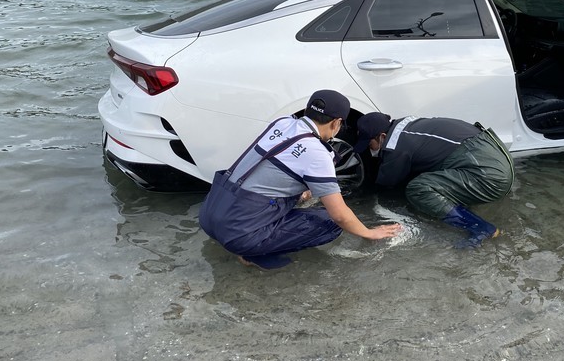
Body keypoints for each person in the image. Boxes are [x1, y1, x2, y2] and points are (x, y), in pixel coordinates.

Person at [199, 90, 402, 269]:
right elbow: (340, 215)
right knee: (330, 222)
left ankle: (244, 239)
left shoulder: (283, 122)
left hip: (211, 213)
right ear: (337, 123)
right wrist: (369, 233)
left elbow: (274, 165)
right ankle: (253, 251)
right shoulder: (317, 153)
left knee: (297, 199)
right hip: (239, 233)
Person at [353, 113, 515, 246]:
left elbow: (386, 185)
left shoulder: (395, 147)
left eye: (369, 144)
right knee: (424, 177)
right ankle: (460, 203)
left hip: (490, 177)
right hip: (497, 158)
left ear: (381, 136)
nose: (369, 149)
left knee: (418, 189)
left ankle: (481, 228)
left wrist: (360, 200)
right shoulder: (404, 124)